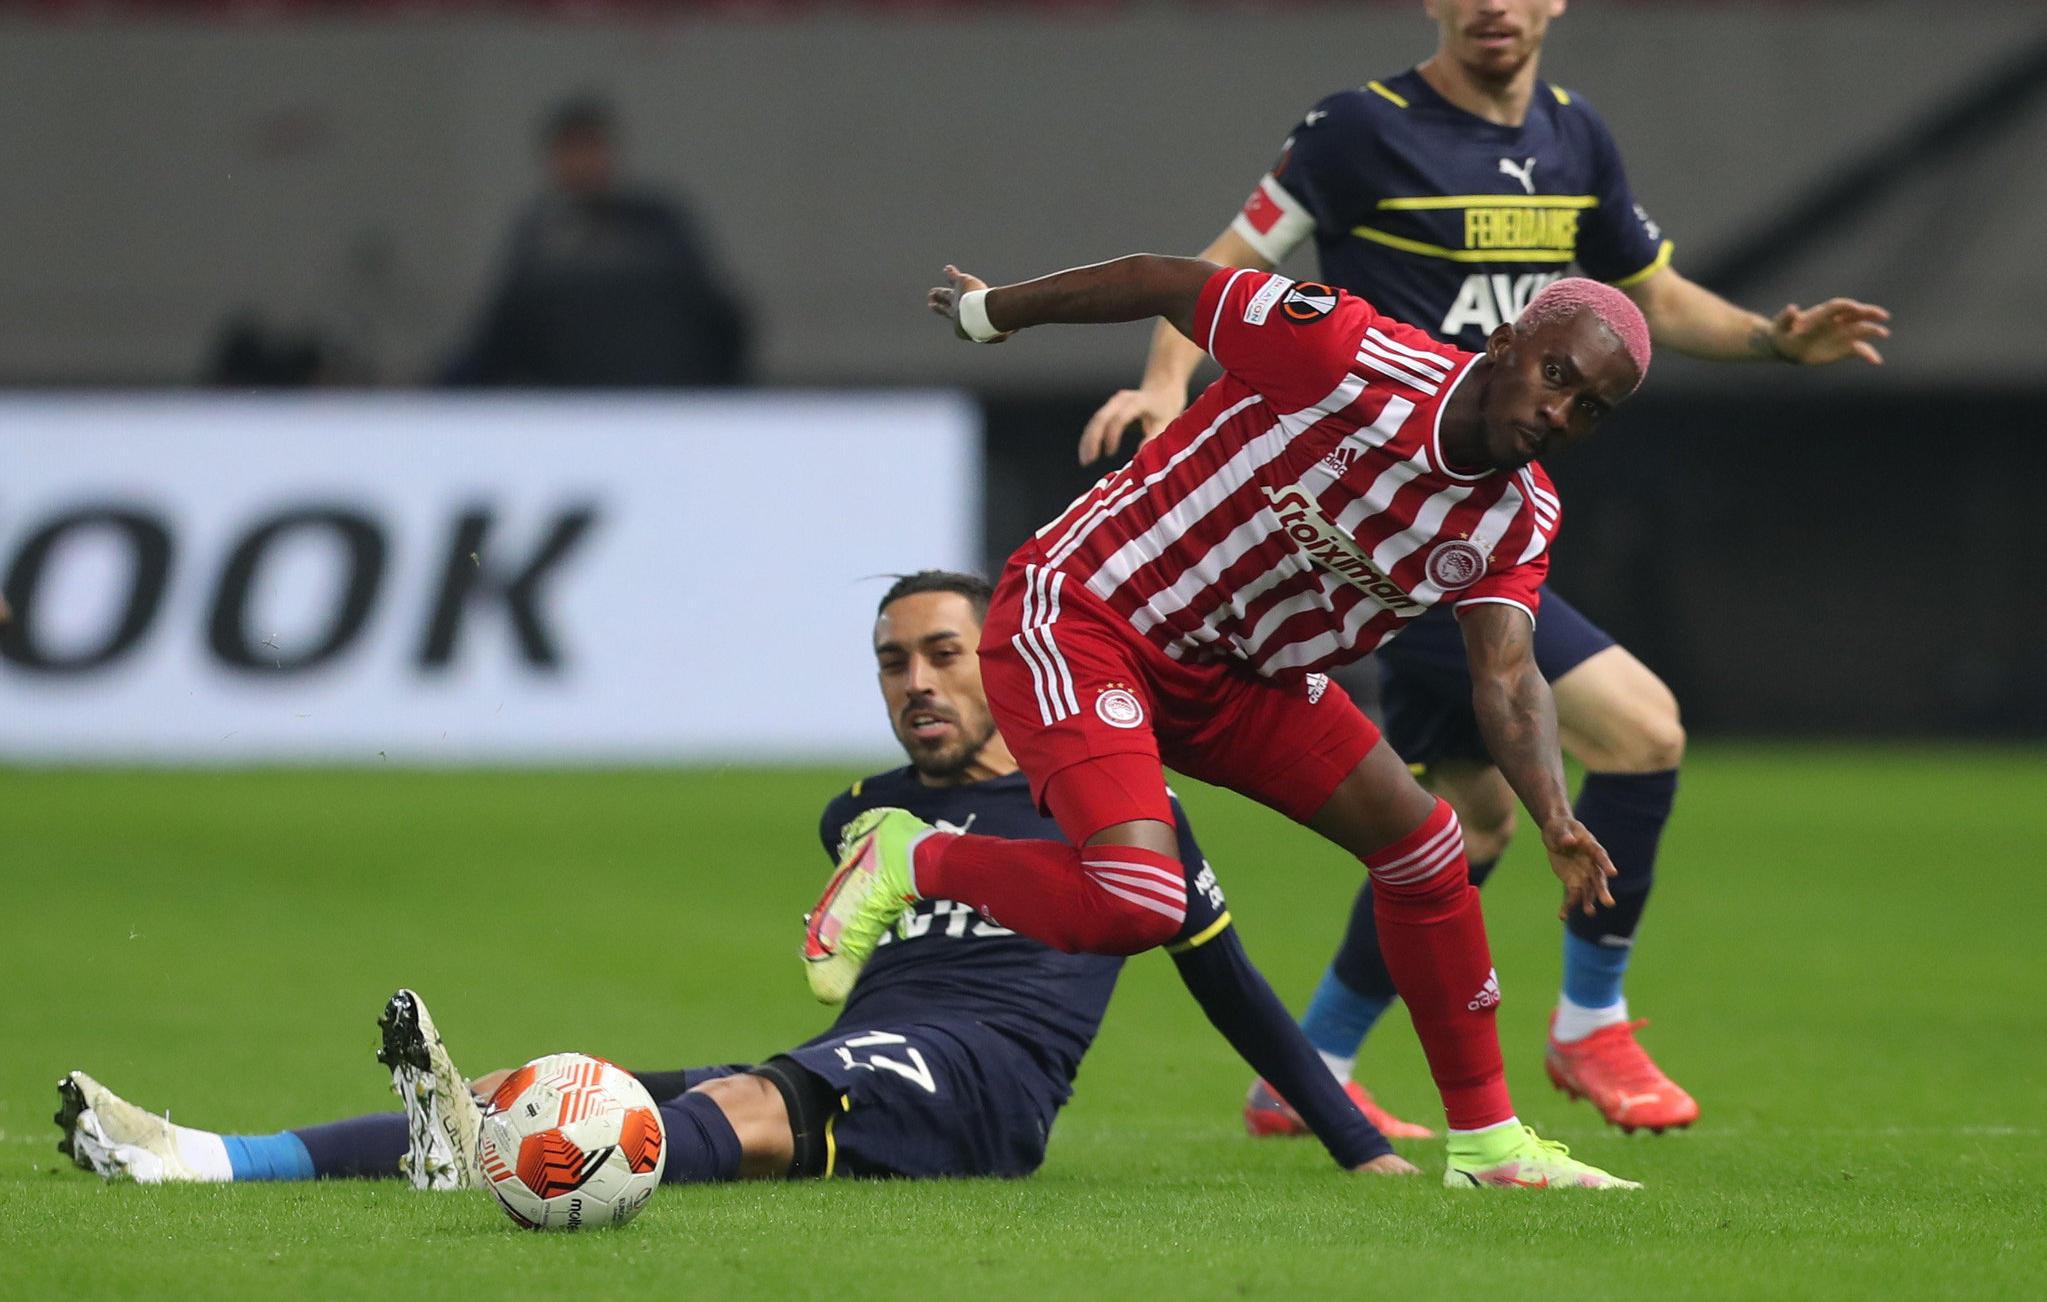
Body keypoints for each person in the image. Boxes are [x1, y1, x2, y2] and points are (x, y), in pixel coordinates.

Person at [1072, 0, 1891, 1137]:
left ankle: (1314, 1068)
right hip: (1380, 520)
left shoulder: (1575, 141)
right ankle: (1591, 1027)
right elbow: (1224, 268)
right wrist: (1160, 387)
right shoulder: (1358, 129)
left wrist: (1774, 340)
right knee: (1642, 728)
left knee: (1470, 823)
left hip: (1472, 522)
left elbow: (1652, 296)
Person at [55, 571, 1415, 1189]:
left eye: (944, 651)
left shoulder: (1113, 800)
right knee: (560, 1087)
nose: (916, 680)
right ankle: (211, 1156)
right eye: (891, 659)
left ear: (1009, 661)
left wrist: (1354, 1139)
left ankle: (465, 1172)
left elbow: (1222, 976)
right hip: (872, 1044)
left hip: (990, 1075)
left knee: (743, 1103)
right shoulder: (866, 809)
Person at [805, 257, 1651, 1190]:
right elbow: (1166, 280)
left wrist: (1553, 815)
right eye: (1557, 376)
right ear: (1504, 345)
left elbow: (1507, 675)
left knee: (1425, 848)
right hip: (1091, 616)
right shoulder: (1345, 351)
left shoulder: (1516, 517)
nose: (1561, 413)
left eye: (1592, 410)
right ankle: (908, 857)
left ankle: (1488, 1146)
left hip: (1238, 681)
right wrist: (990, 312)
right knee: (1138, 899)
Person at [440, 93, 751, 389]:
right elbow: (501, 331)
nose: (583, 162)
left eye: (591, 148)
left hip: (662, 399)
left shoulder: (659, 223)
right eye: (571, 151)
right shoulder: (539, 235)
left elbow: (716, 316)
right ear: (553, 159)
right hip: (569, 407)